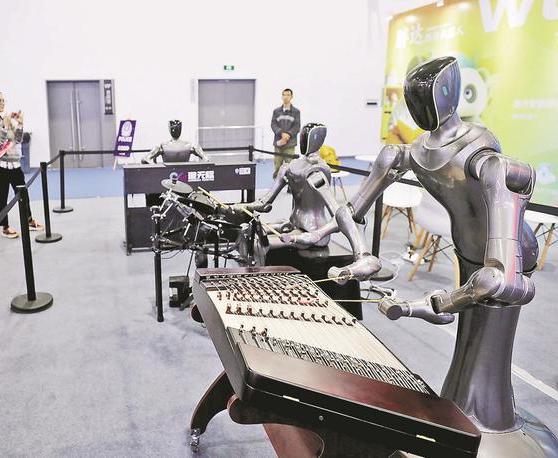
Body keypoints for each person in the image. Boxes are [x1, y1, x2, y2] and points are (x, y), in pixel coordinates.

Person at [0, 92, 43, 239]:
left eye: (3, 100)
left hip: (15, 165)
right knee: (2, 198)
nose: (2, 103)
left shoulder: (8, 118)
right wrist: (6, 127)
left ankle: (29, 220)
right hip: (1, 167)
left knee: (23, 194)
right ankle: (5, 227)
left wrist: (19, 123)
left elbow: (17, 139)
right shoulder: (5, 121)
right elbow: (2, 144)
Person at [270, 88, 300, 178]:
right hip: (278, 143)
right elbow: (273, 124)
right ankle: (276, 182)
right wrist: (281, 133)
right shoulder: (276, 111)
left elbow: (297, 126)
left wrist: (288, 135)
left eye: (288, 95)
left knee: (290, 166)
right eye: (284, 95)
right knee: (277, 165)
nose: (285, 97)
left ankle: (290, 184)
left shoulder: (296, 112)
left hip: (290, 144)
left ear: (291, 97)